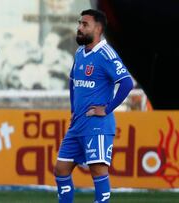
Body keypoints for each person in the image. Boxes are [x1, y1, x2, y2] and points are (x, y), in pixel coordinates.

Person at [53, 9, 133, 203]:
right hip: (78, 124)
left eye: (84, 24)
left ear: (98, 28)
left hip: (97, 125)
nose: (79, 28)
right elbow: (73, 81)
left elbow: (127, 83)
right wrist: (74, 110)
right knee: (61, 169)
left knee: (98, 171)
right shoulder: (80, 52)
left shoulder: (106, 54)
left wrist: (106, 109)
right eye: (79, 23)